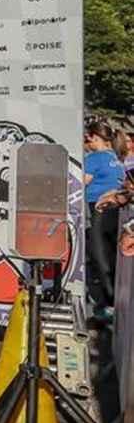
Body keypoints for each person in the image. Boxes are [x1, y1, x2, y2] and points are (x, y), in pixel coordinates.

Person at [84, 120, 126, 309]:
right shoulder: (115, 158)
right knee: (110, 255)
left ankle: (109, 301)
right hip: (116, 210)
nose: (86, 142)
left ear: (95, 137)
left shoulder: (94, 158)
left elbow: (81, 182)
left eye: (88, 138)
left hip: (98, 209)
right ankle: (115, 297)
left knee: (99, 256)